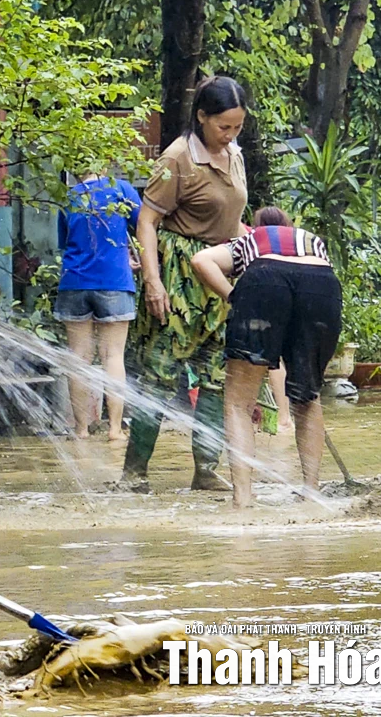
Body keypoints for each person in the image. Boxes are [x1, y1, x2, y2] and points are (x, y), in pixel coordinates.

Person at [120, 76, 249, 493]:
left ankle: (206, 470)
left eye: (237, 127)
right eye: (222, 127)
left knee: (215, 377)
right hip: (178, 276)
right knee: (158, 375)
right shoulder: (178, 158)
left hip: (219, 275)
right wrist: (153, 281)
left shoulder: (235, 155)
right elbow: (147, 220)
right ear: (201, 117)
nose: (229, 135)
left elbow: (231, 217)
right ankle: (134, 472)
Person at [191, 207, 341, 508]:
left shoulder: (250, 238)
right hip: (322, 286)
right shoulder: (312, 240)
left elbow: (200, 260)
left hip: (264, 282)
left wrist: (233, 295)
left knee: (238, 402)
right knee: (308, 397)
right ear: (290, 225)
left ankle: (243, 499)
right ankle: (311, 491)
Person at [54, 172, 142, 441]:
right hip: (114, 280)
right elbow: (144, 228)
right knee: (113, 356)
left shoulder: (69, 197)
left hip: (74, 281)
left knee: (78, 358)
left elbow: (64, 243)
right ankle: (115, 429)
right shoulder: (122, 190)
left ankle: (81, 429)